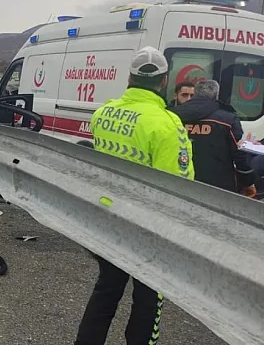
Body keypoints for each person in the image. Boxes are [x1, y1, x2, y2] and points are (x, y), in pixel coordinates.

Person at [74, 46, 195, 345]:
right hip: (147, 228)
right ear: (164, 81)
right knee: (148, 300)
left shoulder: (104, 113)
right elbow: (179, 184)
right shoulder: (168, 124)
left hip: (106, 219)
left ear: (130, 77)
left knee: (107, 290)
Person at [169, 80, 257, 197]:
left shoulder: (172, 115)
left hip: (178, 180)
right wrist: (248, 182)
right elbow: (239, 155)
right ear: (216, 96)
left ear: (195, 94)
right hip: (219, 187)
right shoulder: (228, 119)